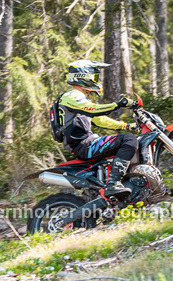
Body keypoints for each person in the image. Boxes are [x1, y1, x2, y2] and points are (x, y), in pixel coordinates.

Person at [58, 60, 139, 198]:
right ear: (83, 76)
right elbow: (93, 109)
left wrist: (126, 125)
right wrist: (118, 104)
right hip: (84, 145)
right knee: (128, 139)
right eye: (94, 76)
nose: (96, 80)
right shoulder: (71, 96)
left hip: (84, 144)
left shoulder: (77, 98)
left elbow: (99, 119)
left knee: (127, 137)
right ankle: (113, 184)